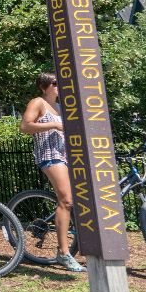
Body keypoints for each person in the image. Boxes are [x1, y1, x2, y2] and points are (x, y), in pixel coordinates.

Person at [21, 72, 86, 272]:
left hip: (67, 156)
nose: (60, 86)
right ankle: (63, 253)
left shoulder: (61, 106)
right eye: (56, 83)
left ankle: (84, 247)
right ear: (45, 86)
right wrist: (55, 124)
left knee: (78, 200)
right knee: (67, 200)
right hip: (50, 155)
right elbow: (25, 126)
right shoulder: (38, 102)